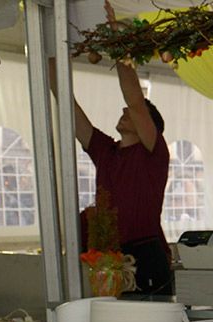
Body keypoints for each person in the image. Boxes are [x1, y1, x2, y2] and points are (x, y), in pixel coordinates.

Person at [49, 1, 173, 295]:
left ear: (148, 125)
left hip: (145, 252)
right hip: (109, 255)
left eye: (132, 113)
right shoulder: (107, 151)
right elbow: (71, 112)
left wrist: (119, 45)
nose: (124, 111)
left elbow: (134, 100)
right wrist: (51, 58)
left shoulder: (152, 151)